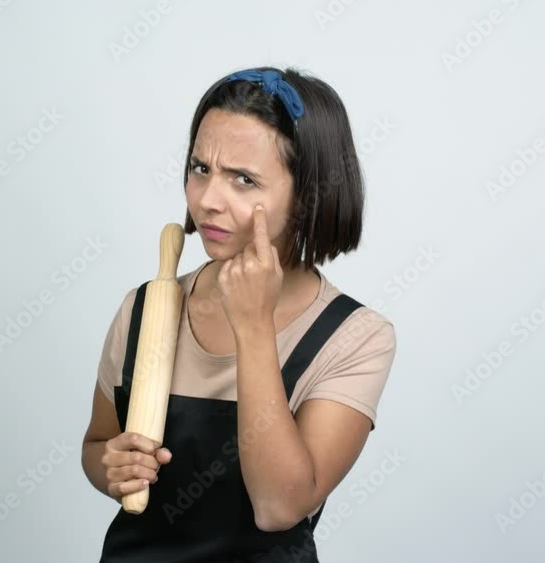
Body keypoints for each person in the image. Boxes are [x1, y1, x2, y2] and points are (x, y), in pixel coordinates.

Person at [82, 66, 397, 562]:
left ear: (308, 195)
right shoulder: (142, 309)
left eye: (244, 180)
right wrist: (111, 467)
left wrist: (252, 327)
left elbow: (279, 507)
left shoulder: (356, 338)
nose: (208, 201)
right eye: (200, 168)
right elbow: (97, 445)